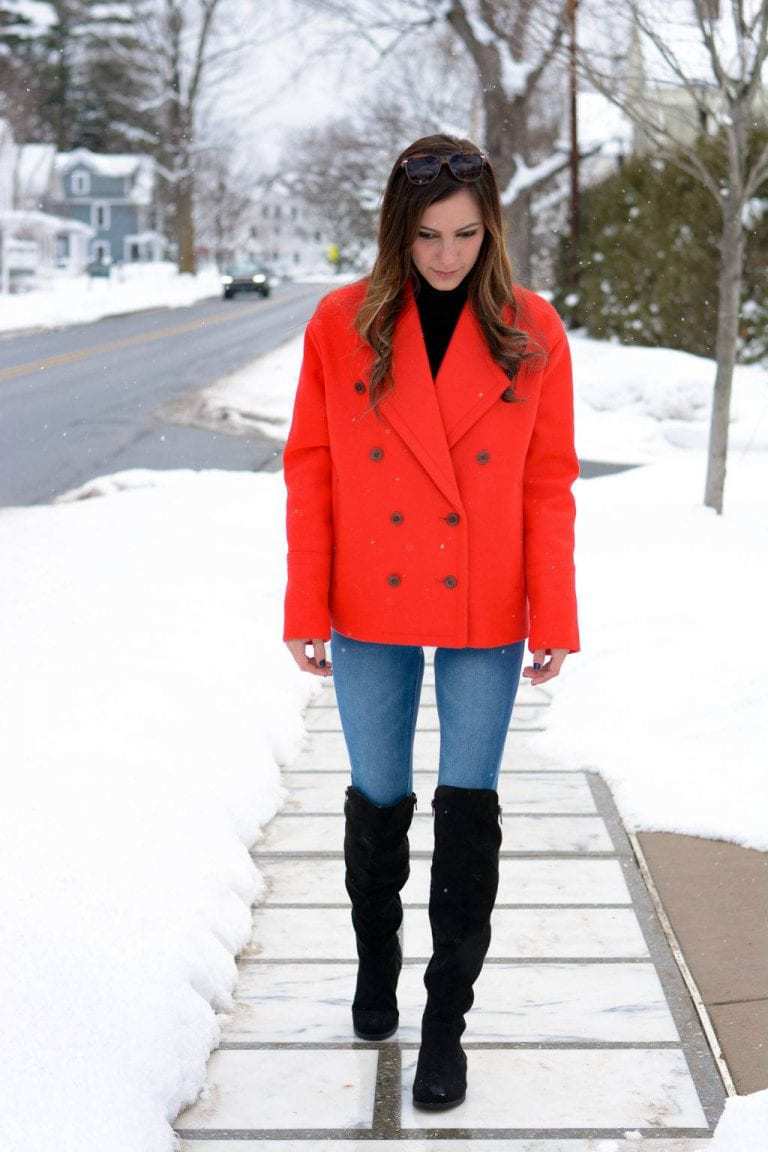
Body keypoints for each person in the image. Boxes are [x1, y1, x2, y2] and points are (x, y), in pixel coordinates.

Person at [281, 133, 580, 1111]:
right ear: (396, 234)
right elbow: (312, 468)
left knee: (468, 807)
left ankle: (445, 1021)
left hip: (484, 593)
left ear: (491, 229)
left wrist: (555, 610)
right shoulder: (341, 322)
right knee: (375, 797)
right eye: (427, 236)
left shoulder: (533, 329)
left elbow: (547, 480)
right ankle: (378, 969)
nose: (447, 255)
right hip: (369, 587)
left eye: (465, 233)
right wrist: (305, 600)